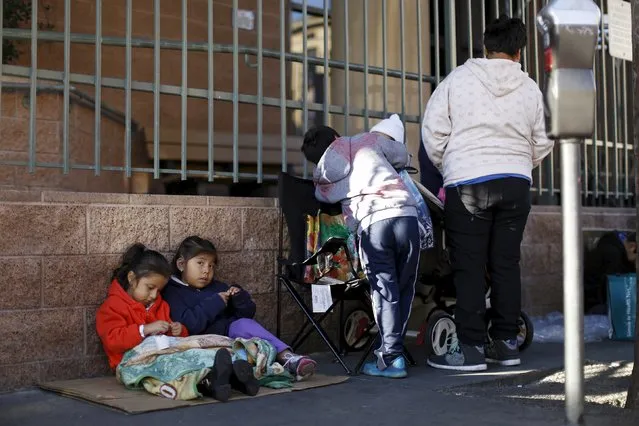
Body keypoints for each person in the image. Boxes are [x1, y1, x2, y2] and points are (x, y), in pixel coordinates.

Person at [421, 15, 554, 371]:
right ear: (519, 51)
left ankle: (469, 349)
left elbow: (432, 133)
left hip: (468, 182)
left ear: (485, 46)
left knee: (469, 266)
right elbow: (543, 140)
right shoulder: (530, 89)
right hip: (515, 183)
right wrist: (520, 164)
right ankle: (506, 344)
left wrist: (450, 166)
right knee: (506, 265)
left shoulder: (457, 81)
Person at [301, 114, 420, 379]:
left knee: (384, 290)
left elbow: (325, 197)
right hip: (405, 215)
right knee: (404, 285)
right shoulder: (367, 140)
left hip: (373, 223)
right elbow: (400, 155)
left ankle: (391, 357)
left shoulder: (321, 175)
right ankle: (392, 351)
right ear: (336, 137)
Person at [96, 243, 255, 402]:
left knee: (191, 356)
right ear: (132, 278)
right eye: (150, 287)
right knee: (175, 367)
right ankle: (212, 383)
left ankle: (230, 379)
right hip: (132, 363)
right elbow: (112, 340)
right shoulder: (112, 306)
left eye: (158, 290)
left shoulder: (160, 305)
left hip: (165, 354)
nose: (153, 295)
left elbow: (171, 338)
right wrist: (144, 330)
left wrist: (178, 330)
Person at [162, 236, 317, 381]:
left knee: (243, 325)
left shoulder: (218, 287)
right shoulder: (173, 291)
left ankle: (289, 358)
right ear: (181, 264)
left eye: (211, 265)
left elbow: (246, 315)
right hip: (200, 342)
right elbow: (187, 323)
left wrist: (239, 298)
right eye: (200, 263)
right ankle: (242, 376)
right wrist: (215, 303)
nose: (206, 271)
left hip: (231, 337)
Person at [584, 231, 637, 314]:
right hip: (595, 306)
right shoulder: (613, 256)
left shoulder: (619, 248)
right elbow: (613, 294)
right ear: (632, 247)